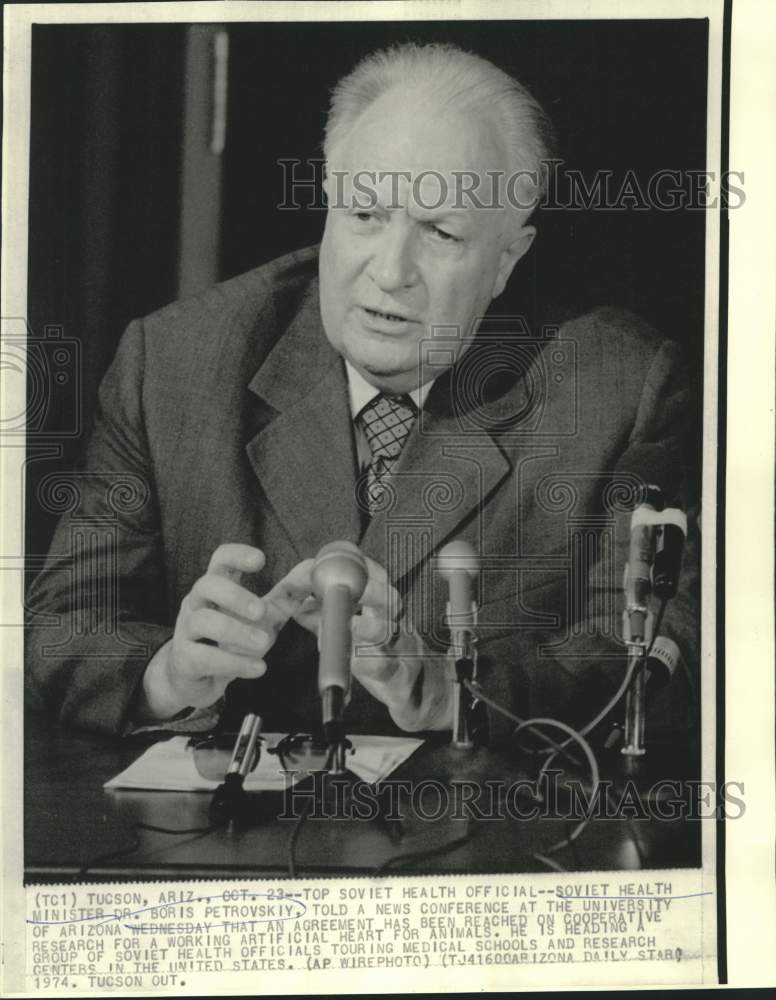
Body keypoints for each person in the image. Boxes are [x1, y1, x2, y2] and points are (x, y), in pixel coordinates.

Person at [25, 42, 699, 748]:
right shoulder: (174, 363)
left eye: (439, 232)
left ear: (506, 259)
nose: (390, 270)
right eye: (365, 215)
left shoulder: (619, 388)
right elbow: (58, 626)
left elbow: (657, 666)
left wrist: (449, 693)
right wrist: (168, 674)